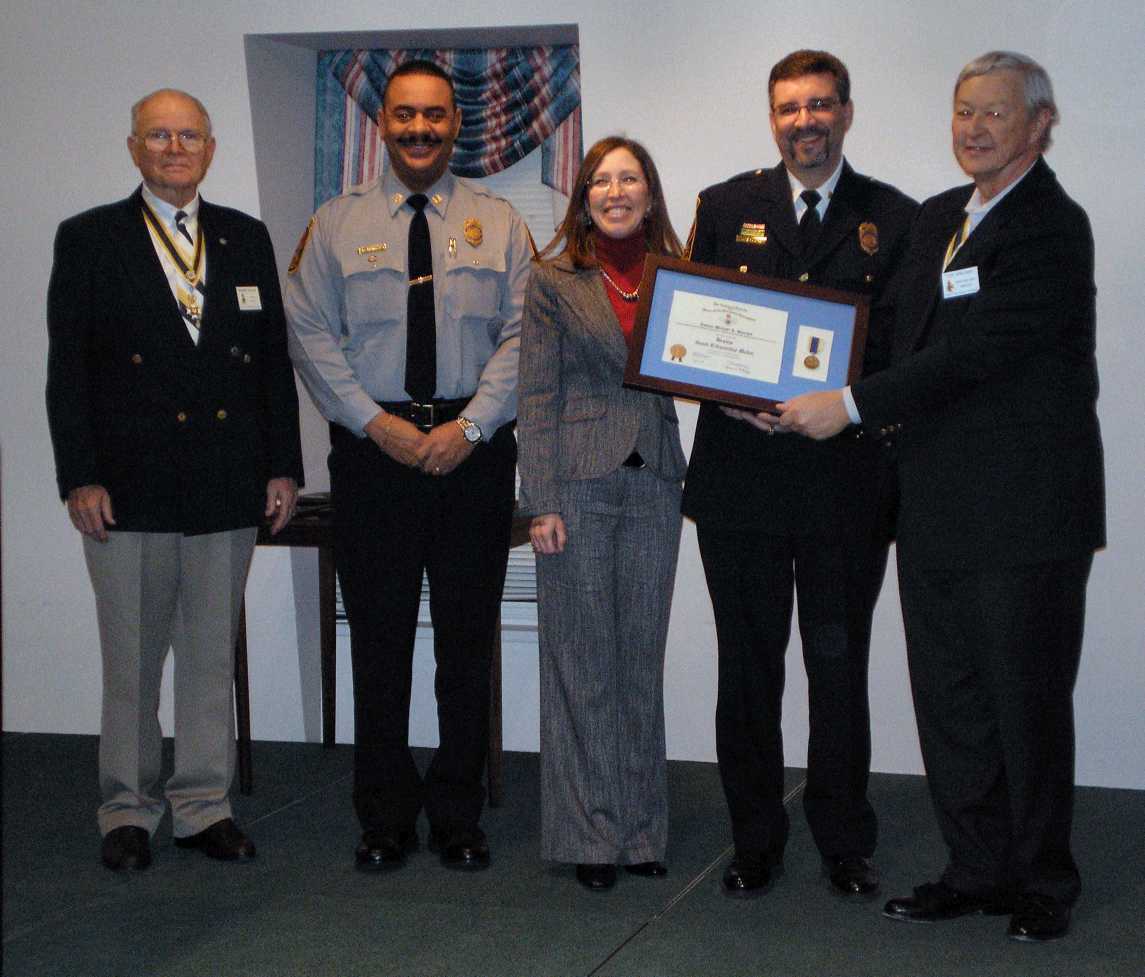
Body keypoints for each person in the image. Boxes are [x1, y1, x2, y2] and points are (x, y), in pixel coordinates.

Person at [778, 51, 1104, 942]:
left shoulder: (1049, 225)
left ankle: (1042, 883)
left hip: (1023, 513)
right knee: (951, 701)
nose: (973, 128)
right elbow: (886, 340)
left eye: (994, 114)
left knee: (1024, 704)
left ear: (1039, 124)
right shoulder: (934, 221)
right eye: (963, 111)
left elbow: (975, 355)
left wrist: (838, 406)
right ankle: (974, 867)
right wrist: (782, 380)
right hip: (930, 506)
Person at [46, 89, 304, 872]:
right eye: (158, 135)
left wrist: (283, 464)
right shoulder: (90, 237)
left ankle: (201, 806)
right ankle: (126, 808)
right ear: (133, 147)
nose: (173, 147)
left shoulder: (245, 237)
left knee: (207, 656)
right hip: (128, 486)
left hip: (225, 481)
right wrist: (80, 474)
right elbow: (69, 371)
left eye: (188, 135)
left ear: (210, 148)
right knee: (132, 658)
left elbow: (269, 365)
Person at [284, 60, 531, 872]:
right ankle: (384, 815)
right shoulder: (333, 222)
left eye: (433, 116)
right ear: (380, 124)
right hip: (372, 460)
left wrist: (473, 425)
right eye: (403, 116)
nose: (419, 129)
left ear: (455, 124)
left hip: (475, 454)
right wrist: (373, 424)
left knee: (465, 643)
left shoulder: (501, 223)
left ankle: (458, 813)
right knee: (379, 643)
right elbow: (310, 336)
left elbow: (525, 336)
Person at [681, 50, 917, 898]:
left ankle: (843, 840)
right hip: (739, 481)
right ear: (771, 117)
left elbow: (897, 348)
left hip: (843, 485)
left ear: (846, 114)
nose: (803, 121)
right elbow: (697, 329)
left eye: (820, 106)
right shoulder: (723, 206)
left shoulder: (893, 217)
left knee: (836, 667)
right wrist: (721, 394)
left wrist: (842, 402)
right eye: (788, 107)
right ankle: (754, 838)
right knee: (746, 669)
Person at [518, 137, 688, 891]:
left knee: (637, 662)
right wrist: (540, 501)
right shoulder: (553, 279)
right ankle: (588, 834)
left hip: (655, 479)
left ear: (650, 195)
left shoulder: (682, 277)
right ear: (583, 197)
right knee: (581, 663)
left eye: (630, 179)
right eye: (601, 181)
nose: (615, 191)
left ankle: (642, 827)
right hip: (577, 487)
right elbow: (535, 395)